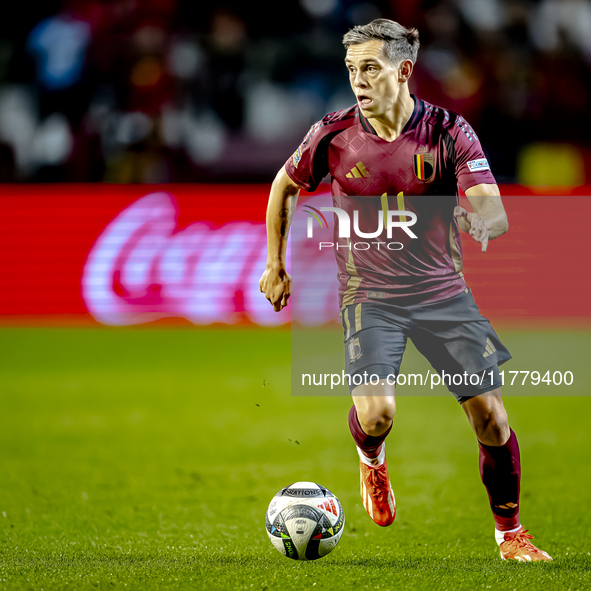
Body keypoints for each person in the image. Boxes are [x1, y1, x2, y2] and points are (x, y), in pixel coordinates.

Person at [259, 19, 551, 562]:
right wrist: (275, 264)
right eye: (351, 69)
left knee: (492, 417)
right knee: (376, 416)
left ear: (404, 70)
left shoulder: (448, 131)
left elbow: (489, 201)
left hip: (443, 294)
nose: (358, 80)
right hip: (370, 296)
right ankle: (371, 458)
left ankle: (510, 535)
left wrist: (483, 217)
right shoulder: (333, 133)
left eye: (369, 67)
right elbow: (285, 185)